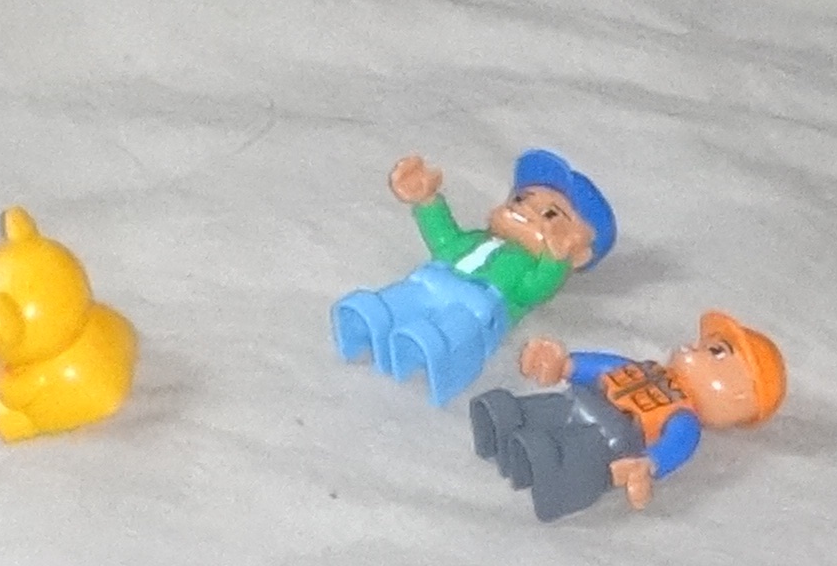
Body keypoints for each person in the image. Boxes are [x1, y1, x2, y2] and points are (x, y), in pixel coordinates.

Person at [334, 149, 614, 404]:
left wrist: (555, 261)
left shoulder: (527, 266)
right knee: (402, 298)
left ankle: (437, 349)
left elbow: (533, 290)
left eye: (550, 214)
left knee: (455, 328)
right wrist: (427, 201)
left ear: (579, 255)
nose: (523, 209)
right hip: (431, 280)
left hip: (479, 307)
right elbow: (445, 240)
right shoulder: (477, 239)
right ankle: (376, 318)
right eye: (520, 198)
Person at [469, 311, 786, 518]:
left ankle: (548, 467)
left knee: (572, 455)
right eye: (703, 343)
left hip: (609, 437)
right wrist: (565, 365)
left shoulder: (684, 420)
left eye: (714, 351)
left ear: (739, 394)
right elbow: (606, 367)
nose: (690, 347)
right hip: (579, 400)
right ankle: (506, 422)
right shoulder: (644, 369)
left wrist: (647, 465)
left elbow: (674, 447)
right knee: (540, 410)